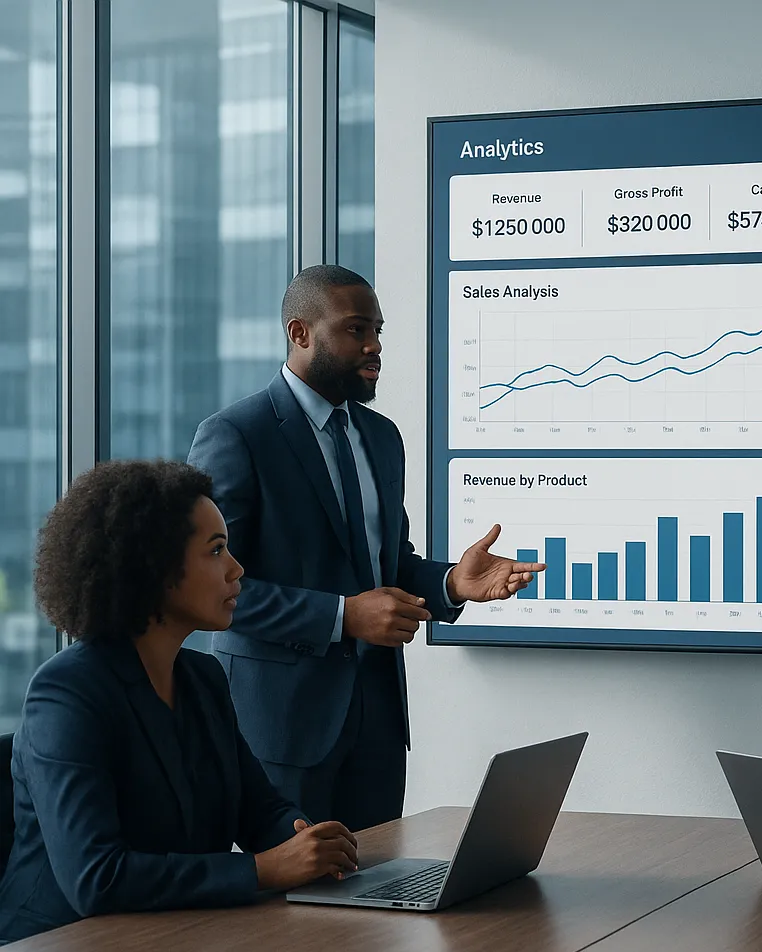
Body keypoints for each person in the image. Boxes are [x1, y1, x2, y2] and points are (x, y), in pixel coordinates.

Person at [187, 265, 543, 831]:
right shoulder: (236, 435)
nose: (374, 345)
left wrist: (452, 583)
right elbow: (212, 590)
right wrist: (343, 616)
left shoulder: (381, 437)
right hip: (281, 727)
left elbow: (387, 565)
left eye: (377, 330)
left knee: (377, 882)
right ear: (300, 332)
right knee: (293, 888)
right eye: (356, 329)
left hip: (377, 723)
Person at [0, 461, 359, 944]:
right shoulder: (66, 693)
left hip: (170, 938)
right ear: (155, 568)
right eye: (216, 550)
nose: (237, 569)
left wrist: (306, 840)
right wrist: (263, 870)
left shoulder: (202, 678)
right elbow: (96, 878)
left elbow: (258, 809)